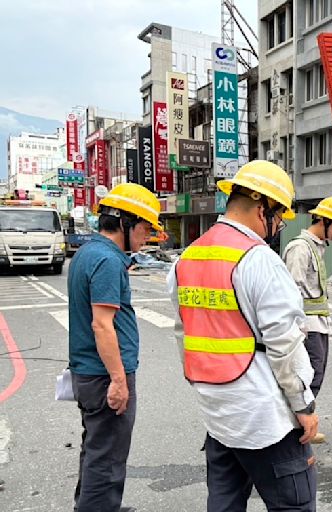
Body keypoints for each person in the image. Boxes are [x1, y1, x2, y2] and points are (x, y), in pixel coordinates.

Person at [167, 160, 318, 512]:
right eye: (279, 215)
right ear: (262, 205)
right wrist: (304, 406)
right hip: (266, 418)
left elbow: (183, 333)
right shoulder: (259, 260)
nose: (279, 225)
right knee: (295, 503)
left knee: (224, 502)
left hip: (217, 412)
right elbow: (285, 345)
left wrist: (205, 385)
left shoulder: (187, 258)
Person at [68, 183, 162, 512]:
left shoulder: (87, 253)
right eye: (145, 228)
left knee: (96, 450)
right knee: (108, 457)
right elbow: (101, 324)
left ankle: (94, 504)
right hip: (104, 376)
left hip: (90, 373)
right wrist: (119, 381)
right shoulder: (107, 261)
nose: (146, 237)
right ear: (125, 223)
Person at [282, 197, 332, 444]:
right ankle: (296, 427)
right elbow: (292, 291)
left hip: (317, 324)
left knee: (315, 375)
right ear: (324, 221)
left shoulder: (316, 247)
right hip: (307, 326)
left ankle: (301, 424)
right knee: (307, 376)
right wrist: (297, 329)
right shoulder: (300, 248)